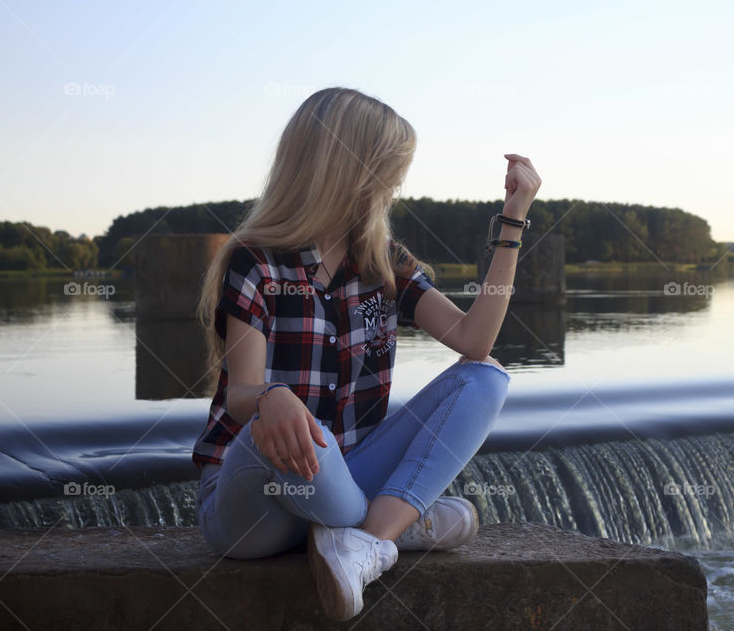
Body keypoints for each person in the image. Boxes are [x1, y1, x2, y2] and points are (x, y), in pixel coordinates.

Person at [191, 87, 541, 622]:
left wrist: (513, 220)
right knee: (290, 431)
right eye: (389, 168)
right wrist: (271, 398)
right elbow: (241, 393)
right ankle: (394, 520)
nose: (396, 183)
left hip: (345, 472)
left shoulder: (383, 263)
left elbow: (475, 340)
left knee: (485, 378)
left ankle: (368, 540)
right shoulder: (255, 261)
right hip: (255, 495)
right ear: (344, 167)